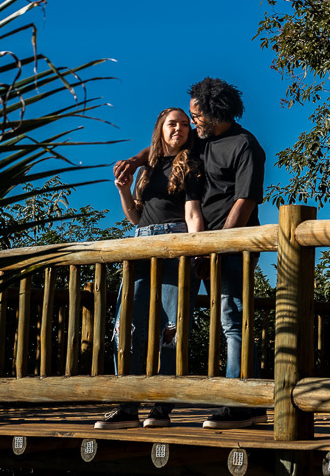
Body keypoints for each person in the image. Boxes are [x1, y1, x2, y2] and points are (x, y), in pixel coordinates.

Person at [114, 77, 267, 430]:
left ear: (214, 112)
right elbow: (161, 143)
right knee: (226, 320)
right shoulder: (204, 140)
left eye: (196, 115)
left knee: (232, 320)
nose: (192, 121)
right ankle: (253, 403)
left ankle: (239, 403)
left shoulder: (245, 145)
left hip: (232, 244)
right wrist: (136, 161)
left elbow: (245, 200)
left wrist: (218, 245)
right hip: (202, 245)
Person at [96, 108, 203, 430]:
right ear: (160, 128)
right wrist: (122, 189)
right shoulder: (149, 167)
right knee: (126, 325)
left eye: (185, 125)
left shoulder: (192, 164)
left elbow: (193, 213)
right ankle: (126, 404)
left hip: (176, 244)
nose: (180, 129)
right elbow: (134, 218)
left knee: (171, 328)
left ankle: (161, 406)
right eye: (173, 124)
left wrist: (199, 251)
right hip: (141, 244)